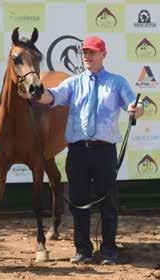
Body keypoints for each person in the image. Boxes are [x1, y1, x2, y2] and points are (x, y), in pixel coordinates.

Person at [38, 36, 144, 264]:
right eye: (84, 52)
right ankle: (83, 251)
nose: (87, 56)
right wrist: (38, 93)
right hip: (77, 152)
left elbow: (132, 104)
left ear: (103, 54)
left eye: (92, 52)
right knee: (77, 202)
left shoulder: (116, 82)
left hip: (104, 151)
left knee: (109, 202)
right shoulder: (73, 83)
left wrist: (137, 108)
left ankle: (108, 251)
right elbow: (52, 97)